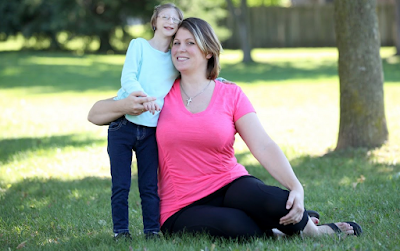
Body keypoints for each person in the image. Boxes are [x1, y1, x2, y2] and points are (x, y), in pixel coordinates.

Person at [88, 17, 362, 240]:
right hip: (181, 205)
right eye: (177, 43)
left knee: (280, 202)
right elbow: (95, 114)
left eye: (189, 43)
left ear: (208, 51)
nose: (180, 49)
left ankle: (316, 232)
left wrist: (295, 186)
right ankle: (278, 230)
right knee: (238, 227)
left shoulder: (230, 93)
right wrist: (126, 105)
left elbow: (263, 145)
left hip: (229, 183)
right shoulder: (158, 94)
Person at [105, 3, 183, 240]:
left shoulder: (175, 57)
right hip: (122, 125)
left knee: (150, 186)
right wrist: (144, 98)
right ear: (155, 21)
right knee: (121, 185)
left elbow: (194, 73)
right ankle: (121, 232)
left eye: (176, 19)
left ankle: (151, 231)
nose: (170, 21)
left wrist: (218, 79)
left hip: (151, 131)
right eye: (165, 17)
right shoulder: (138, 45)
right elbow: (128, 77)